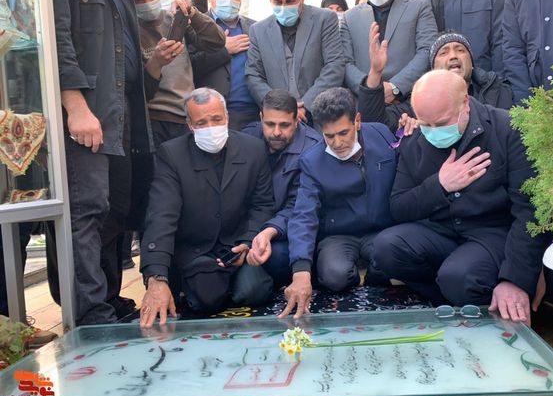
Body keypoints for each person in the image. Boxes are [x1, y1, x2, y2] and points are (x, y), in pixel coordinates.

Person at [374, 70, 551, 326]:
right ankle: (449, 301)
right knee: (386, 247)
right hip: (441, 232)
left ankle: (479, 298)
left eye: (441, 123)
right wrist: (440, 185)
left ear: (465, 103)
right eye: (426, 124)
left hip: (491, 235)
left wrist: (515, 279)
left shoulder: (508, 130)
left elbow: (530, 212)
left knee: (459, 277)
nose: (433, 131)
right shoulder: (416, 139)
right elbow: (399, 207)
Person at [50, 0, 154, 325]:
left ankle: (108, 297)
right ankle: (91, 314)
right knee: (88, 209)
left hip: (121, 112)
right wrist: (75, 105)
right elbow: (56, 38)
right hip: (87, 113)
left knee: (116, 210)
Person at [139, 88, 275, 327]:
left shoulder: (253, 149)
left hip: (236, 246)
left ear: (227, 117)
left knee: (256, 291)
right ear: (189, 125)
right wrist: (156, 277)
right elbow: (161, 215)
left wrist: (247, 242)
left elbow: (262, 204)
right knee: (206, 298)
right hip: (195, 249)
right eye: (201, 123)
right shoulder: (172, 154)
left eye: (216, 119)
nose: (211, 128)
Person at [280, 88, 396, 319]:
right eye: (329, 136)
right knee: (334, 275)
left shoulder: (382, 135)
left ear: (357, 121)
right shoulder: (312, 161)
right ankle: (355, 281)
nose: (338, 142)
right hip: (340, 235)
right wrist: (300, 271)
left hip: (383, 230)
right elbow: (303, 215)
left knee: (392, 258)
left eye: (344, 132)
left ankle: (375, 279)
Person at [117, 0, 225, 148]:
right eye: (138, 0)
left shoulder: (173, 18)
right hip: (154, 122)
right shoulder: (124, 31)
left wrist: (193, 13)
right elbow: (136, 93)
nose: (147, 3)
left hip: (187, 117)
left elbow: (216, 42)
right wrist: (156, 63)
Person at [245, 0, 344, 125]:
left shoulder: (325, 20)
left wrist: (306, 105)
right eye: (278, 2)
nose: (283, 7)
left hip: (320, 118)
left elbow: (334, 66)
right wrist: (280, 108)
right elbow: (253, 75)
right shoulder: (258, 30)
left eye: (290, 1)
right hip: (278, 123)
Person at [243, 90, 321, 288]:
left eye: (284, 125)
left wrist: (270, 231)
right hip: (251, 225)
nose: (276, 132)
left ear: (297, 121)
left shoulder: (312, 149)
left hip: (288, 230)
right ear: (261, 118)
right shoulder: (246, 138)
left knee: (277, 258)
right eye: (270, 124)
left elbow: (299, 206)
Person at [342, 0, 437, 101]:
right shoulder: (349, 18)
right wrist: (370, 87)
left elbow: (427, 51)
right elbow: (345, 62)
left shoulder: (419, 8)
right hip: (366, 101)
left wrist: (395, 87)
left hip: (409, 99)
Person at [190, 0, 258, 131]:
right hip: (213, 118)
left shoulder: (255, 28)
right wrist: (224, 51)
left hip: (254, 115)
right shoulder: (193, 27)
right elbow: (190, 68)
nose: (229, 1)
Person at [429, 32, 514, 109]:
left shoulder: (500, 92)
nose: (453, 56)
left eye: (460, 50)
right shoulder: (423, 102)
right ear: (433, 69)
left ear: (471, 63)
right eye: (443, 53)